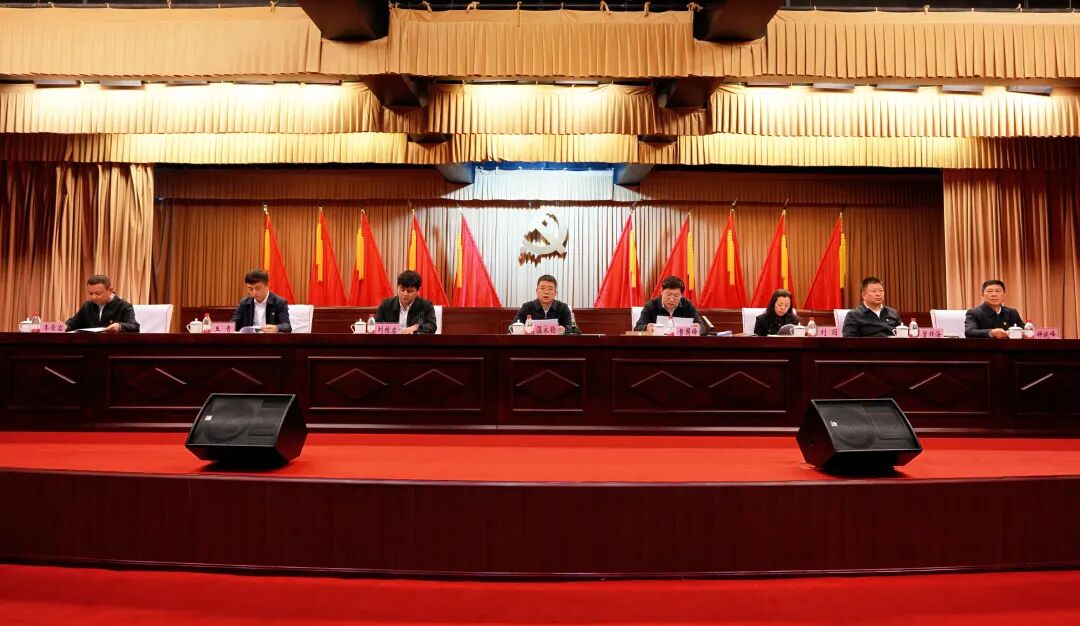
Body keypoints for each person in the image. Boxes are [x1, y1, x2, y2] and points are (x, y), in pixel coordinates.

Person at [65, 274, 140, 333]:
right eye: (90, 293)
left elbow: (135, 326)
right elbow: (72, 324)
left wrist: (120, 326)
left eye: (98, 293)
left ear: (110, 290)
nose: (93, 297)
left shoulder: (123, 306)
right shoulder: (87, 306)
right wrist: (63, 326)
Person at [510, 274, 580, 335]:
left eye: (550, 289)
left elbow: (576, 330)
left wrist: (565, 329)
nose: (546, 292)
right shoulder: (527, 307)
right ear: (537, 291)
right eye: (543, 288)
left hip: (556, 344)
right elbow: (511, 328)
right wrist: (524, 329)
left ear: (555, 293)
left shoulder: (562, 307)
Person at [633, 276, 704, 334]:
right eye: (668, 295)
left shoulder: (687, 305)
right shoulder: (651, 305)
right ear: (661, 291)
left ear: (681, 295)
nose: (672, 299)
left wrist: (698, 327)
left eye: (676, 296)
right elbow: (638, 327)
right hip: (658, 343)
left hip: (681, 343)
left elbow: (703, 326)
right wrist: (647, 327)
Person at [374, 270, 438, 334]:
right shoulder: (387, 304)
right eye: (402, 290)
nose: (405, 294)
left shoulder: (425, 305)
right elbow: (375, 325)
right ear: (397, 287)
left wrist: (417, 327)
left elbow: (432, 326)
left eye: (409, 291)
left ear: (418, 291)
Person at [231, 269, 291, 333]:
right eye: (250, 289)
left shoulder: (279, 302)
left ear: (267, 286)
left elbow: (287, 326)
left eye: (257, 289)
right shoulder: (244, 303)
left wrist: (276, 328)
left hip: (270, 338)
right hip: (249, 337)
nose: (254, 293)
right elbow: (233, 324)